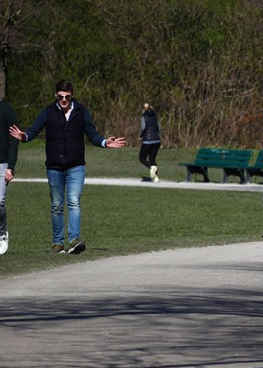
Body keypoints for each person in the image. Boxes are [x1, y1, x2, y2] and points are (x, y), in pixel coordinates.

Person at [9, 80, 126, 254]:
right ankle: (58, 243)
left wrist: (104, 142)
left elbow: (91, 134)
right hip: (55, 167)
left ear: (72, 95)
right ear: (56, 95)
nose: (64, 100)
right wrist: (24, 136)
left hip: (76, 166)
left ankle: (74, 240)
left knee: (73, 201)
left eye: (67, 96)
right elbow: (33, 130)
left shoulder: (81, 111)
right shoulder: (48, 112)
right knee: (56, 205)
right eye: (60, 96)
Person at [0, 99, 19, 255]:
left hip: (2, 164)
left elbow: (14, 140)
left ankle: (1, 234)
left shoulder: (7, 111)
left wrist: (11, 167)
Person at [139, 103, 162, 183]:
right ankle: (155, 177)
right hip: (157, 141)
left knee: (142, 158)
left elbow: (143, 127)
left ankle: (151, 167)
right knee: (152, 159)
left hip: (147, 141)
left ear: (144, 110)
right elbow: (159, 128)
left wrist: (141, 135)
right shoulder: (155, 117)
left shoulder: (144, 117)